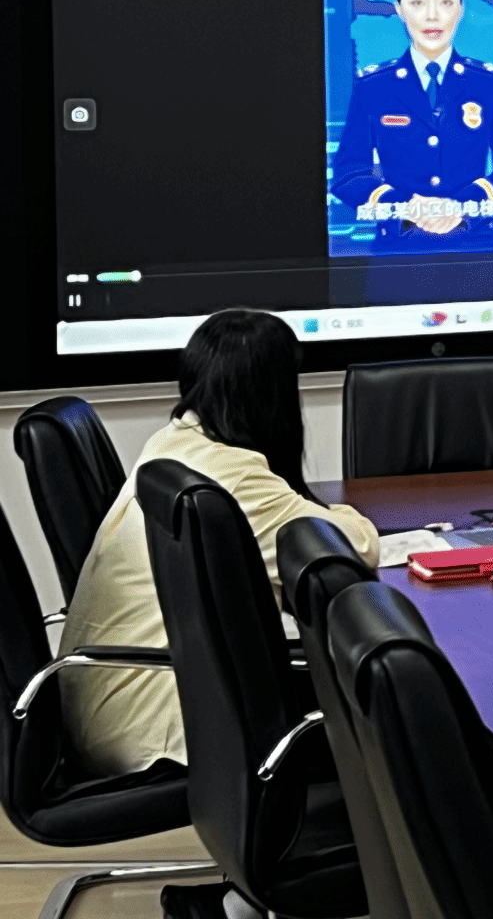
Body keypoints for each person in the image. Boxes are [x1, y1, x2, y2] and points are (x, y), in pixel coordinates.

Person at [59, 310, 380, 777]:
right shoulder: (232, 474)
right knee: (388, 716)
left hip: (109, 706)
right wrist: (346, 514)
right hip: (160, 729)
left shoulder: (174, 443)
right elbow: (355, 550)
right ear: (273, 395)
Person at [331, 0, 493, 255]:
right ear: (399, 9)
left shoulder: (488, 83)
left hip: (477, 251)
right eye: (417, 2)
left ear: (460, 9)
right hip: (397, 252)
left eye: (446, 2)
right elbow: (348, 176)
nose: (432, 15)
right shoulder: (373, 86)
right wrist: (405, 206)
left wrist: (462, 204)